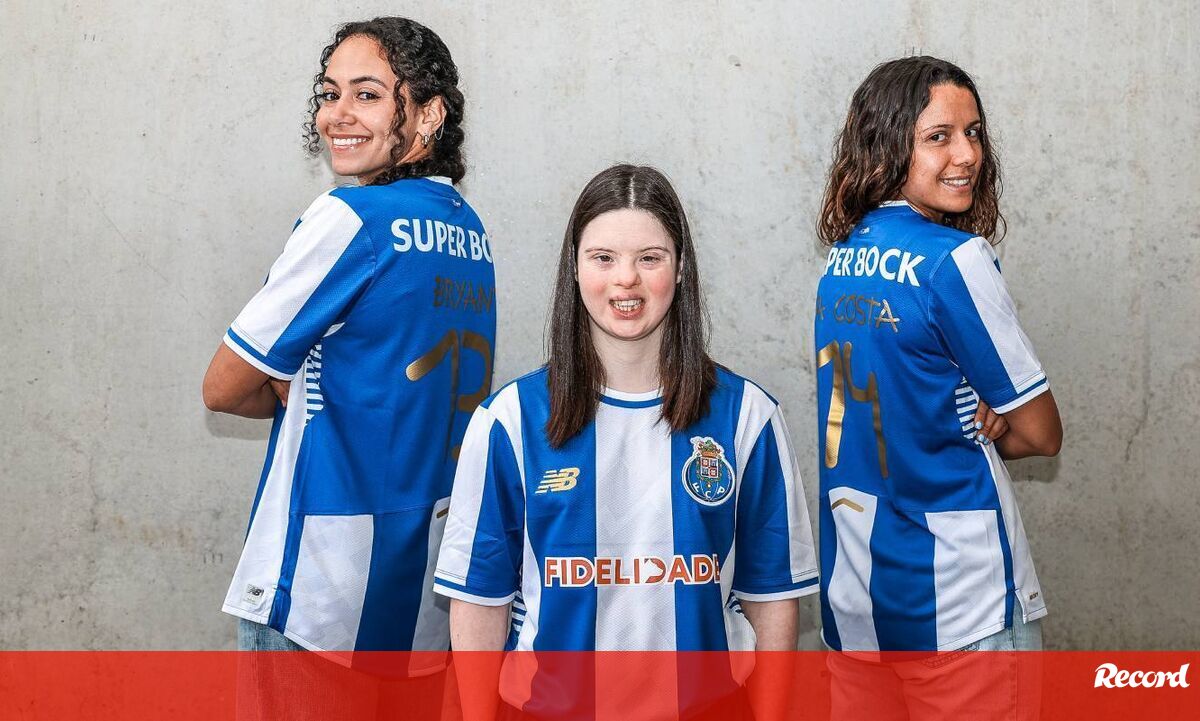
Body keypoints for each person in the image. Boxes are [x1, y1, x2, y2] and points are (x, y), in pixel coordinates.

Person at [434, 165, 818, 721]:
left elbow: (773, 599)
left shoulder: (747, 417)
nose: (626, 280)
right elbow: (479, 602)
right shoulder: (509, 420)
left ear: (680, 268)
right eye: (604, 258)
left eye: (649, 258)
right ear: (574, 267)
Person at [202, 16, 495, 718]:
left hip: (319, 592)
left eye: (368, 94)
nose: (338, 113)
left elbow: (222, 386)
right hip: (418, 605)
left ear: (428, 114)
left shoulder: (349, 218)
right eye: (329, 93)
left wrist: (289, 386)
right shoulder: (469, 231)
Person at [813, 56, 1062, 719]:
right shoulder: (957, 261)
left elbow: (903, 399)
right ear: (888, 144)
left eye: (974, 132)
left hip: (859, 600)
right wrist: (994, 424)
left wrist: (959, 404)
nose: (968, 154)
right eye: (939, 136)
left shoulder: (841, 261)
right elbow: (1043, 433)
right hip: (961, 602)